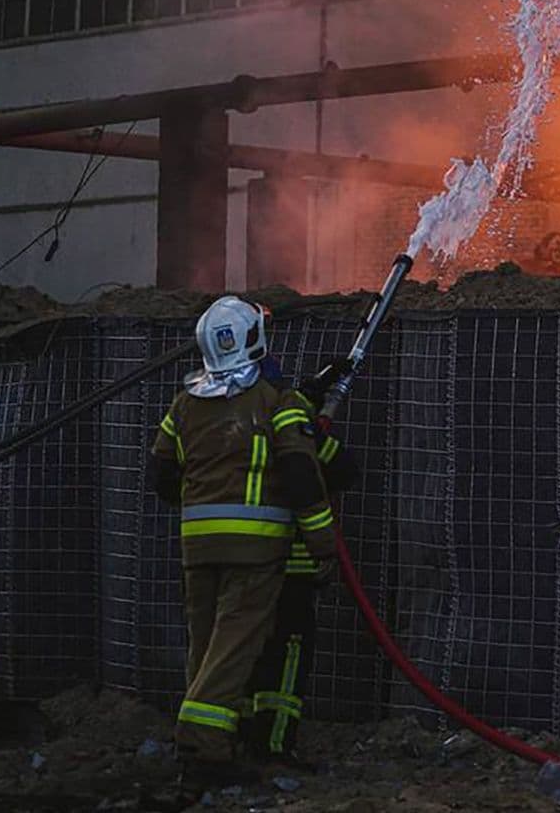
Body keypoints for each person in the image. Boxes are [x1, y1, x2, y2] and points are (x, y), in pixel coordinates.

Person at [147, 297, 340, 789]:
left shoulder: (184, 403)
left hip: (197, 548)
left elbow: (161, 475)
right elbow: (301, 476)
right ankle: (202, 744)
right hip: (255, 552)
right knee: (234, 647)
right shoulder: (276, 401)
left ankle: (212, 738)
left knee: (206, 647)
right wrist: (322, 542)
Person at [243, 357, 358, 767]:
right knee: (288, 655)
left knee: (241, 653)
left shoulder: (226, 422)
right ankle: (273, 746)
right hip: (289, 566)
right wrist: (310, 423)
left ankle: (235, 742)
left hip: (240, 566)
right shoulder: (292, 428)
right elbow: (341, 470)